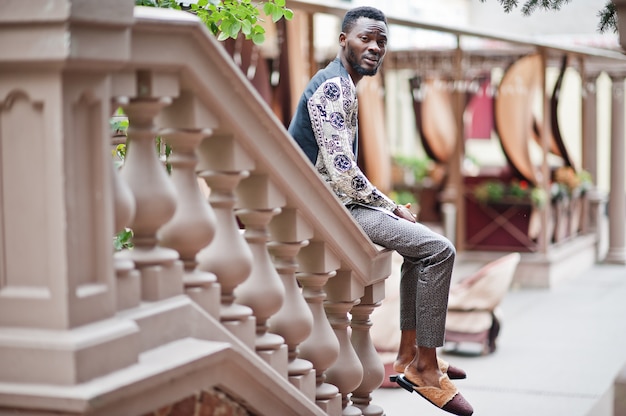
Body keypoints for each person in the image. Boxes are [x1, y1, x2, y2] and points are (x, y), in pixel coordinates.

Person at [288, 6, 474, 416]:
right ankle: (425, 368)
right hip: (329, 209)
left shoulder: (341, 84)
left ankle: (411, 355)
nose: (374, 47)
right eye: (364, 39)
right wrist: (391, 207)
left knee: (421, 251)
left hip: (335, 204)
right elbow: (340, 174)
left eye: (381, 42)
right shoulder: (335, 87)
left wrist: (388, 208)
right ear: (343, 41)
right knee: (439, 250)